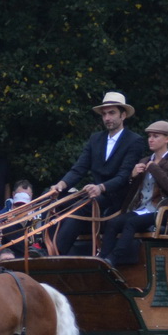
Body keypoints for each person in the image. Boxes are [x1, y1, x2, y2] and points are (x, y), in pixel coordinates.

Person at [48, 91, 146, 255]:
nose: (107, 118)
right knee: (52, 198)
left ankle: (55, 253)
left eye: (112, 113)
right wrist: (60, 185)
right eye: (104, 114)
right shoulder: (95, 139)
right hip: (94, 194)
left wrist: (101, 187)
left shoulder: (134, 141)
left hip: (116, 198)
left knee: (81, 206)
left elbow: (123, 176)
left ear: (123, 115)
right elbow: (79, 168)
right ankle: (42, 246)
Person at [99, 119, 168, 267]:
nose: (151, 140)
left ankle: (114, 259)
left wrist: (154, 168)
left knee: (131, 223)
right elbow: (133, 190)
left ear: (167, 138)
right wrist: (132, 176)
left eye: (155, 136)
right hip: (141, 209)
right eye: (149, 136)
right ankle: (102, 259)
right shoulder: (145, 160)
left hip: (161, 211)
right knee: (113, 223)